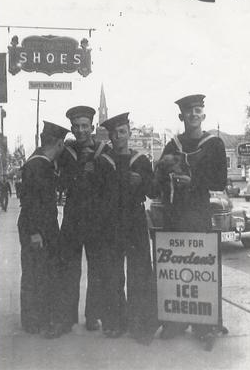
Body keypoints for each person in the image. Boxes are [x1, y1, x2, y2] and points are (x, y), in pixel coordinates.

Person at [155, 94, 227, 339]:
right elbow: (158, 178)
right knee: (176, 267)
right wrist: (165, 173)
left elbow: (220, 181)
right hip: (175, 212)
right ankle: (176, 322)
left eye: (198, 110)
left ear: (203, 115)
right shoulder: (173, 144)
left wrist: (193, 181)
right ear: (181, 116)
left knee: (201, 269)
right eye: (189, 111)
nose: (194, 115)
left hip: (198, 212)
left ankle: (206, 324)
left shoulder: (214, 144)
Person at [96, 112, 158, 343]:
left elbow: (154, 190)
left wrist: (141, 181)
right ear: (109, 136)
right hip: (110, 221)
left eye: (122, 131)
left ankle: (141, 325)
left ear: (129, 133)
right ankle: (115, 322)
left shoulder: (141, 160)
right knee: (112, 273)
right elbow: (96, 193)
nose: (118, 136)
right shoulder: (103, 161)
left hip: (134, 219)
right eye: (114, 133)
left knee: (140, 271)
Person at [58, 105, 108, 333]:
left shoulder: (103, 151)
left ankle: (93, 315)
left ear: (92, 127)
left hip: (96, 218)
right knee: (69, 268)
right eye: (76, 127)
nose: (81, 131)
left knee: (97, 268)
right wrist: (81, 167)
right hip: (73, 216)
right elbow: (63, 182)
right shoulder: (66, 153)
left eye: (85, 126)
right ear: (71, 128)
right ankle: (67, 316)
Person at [18, 121, 69, 337]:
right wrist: (35, 232)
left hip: (38, 226)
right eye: (62, 145)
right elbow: (32, 202)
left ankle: (33, 320)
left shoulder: (36, 162)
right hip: (38, 228)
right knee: (38, 274)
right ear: (58, 143)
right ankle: (35, 321)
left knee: (35, 273)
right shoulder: (40, 166)